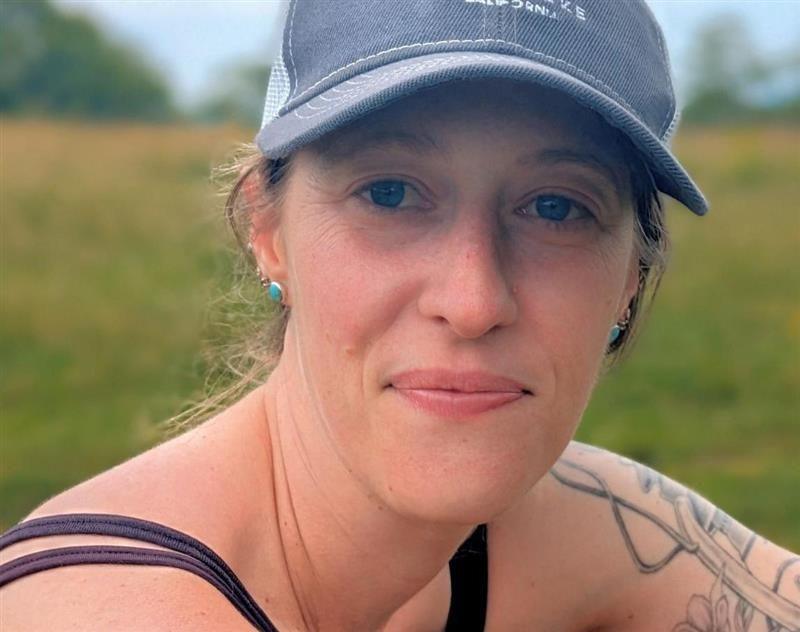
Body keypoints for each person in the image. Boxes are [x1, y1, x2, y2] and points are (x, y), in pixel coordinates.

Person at [1, 1, 798, 630]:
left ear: (632, 276)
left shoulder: (565, 528)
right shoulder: (106, 609)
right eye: (388, 193)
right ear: (267, 232)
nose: (474, 300)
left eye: (556, 207)